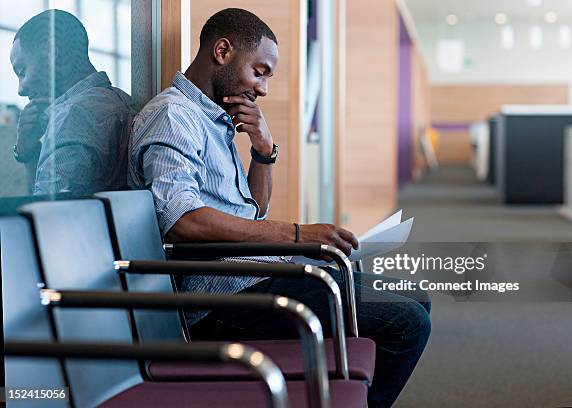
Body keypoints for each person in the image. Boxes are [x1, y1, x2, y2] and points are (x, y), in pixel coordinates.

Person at [129, 8, 430, 408]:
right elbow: (183, 221)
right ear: (222, 51)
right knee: (406, 322)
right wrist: (299, 235)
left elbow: (252, 210)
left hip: (253, 276)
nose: (264, 88)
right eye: (260, 71)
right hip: (220, 303)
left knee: (413, 297)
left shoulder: (212, 119)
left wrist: (264, 152)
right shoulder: (173, 116)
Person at [10, 9, 134, 195]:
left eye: (22, 71)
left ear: (51, 52)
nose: (21, 90)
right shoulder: (124, 101)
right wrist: (29, 153)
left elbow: (45, 215)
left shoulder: (73, 116)